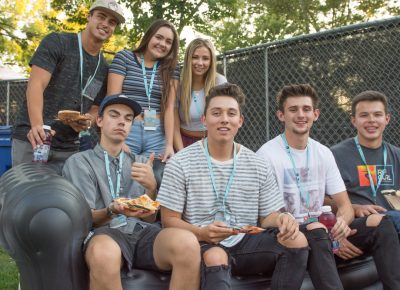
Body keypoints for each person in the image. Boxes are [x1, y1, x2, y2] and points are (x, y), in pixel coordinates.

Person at [157, 83, 309, 290]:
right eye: (216, 113)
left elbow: (267, 217)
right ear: (204, 120)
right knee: (217, 255)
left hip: (246, 241)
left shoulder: (258, 163)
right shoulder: (180, 162)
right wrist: (201, 233)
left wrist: (282, 217)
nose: (224, 119)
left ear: (240, 121)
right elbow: (169, 221)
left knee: (297, 240)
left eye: (231, 113)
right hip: (201, 242)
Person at [256, 84, 400, 290]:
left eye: (306, 109)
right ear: (281, 115)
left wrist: (341, 226)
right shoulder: (266, 155)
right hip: (292, 233)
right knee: (318, 233)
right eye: (293, 109)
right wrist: (329, 235)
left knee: (381, 223)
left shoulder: (323, 152)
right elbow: (264, 217)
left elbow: (345, 206)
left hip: (325, 230)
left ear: (316, 114)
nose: (300, 115)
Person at [62, 94, 200, 290]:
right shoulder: (80, 163)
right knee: (104, 253)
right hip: (105, 234)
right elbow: (85, 219)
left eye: (128, 119)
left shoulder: (142, 163)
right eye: (114, 115)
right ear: (99, 121)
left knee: (186, 243)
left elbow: (151, 219)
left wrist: (152, 188)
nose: (122, 122)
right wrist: (112, 210)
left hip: (141, 232)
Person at [12, 0, 125, 167]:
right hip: (33, 139)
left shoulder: (104, 67)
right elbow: (36, 84)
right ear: (89, 16)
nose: (105, 24)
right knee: (26, 192)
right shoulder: (58, 42)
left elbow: (95, 107)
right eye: (101, 17)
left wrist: (87, 121)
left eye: (112, 22)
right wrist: (37, 125)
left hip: (69, 148)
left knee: (65, 193)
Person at [107, 19, 179, 162]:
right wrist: (117, 139)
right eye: (158, 37)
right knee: (122, 174)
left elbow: (170, 108)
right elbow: (112, 100)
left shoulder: (171, 68)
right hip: (127, 128)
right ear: (149, 37)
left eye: (168, 42)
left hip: (157, 131)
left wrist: (169, 145)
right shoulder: (124, 58)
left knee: (152, 178)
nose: (162, 44)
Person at [331, 91, 400, 232]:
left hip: (394, 224)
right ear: (354, 120)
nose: (371, 120)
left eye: (377, 114)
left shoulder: (397, 155)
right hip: (357, 225)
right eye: (364, 115)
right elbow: (320, 200)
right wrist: (353, 208)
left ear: (387, 119)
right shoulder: (334, 155)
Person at [174, 38, 227, 150]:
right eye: (195, 57)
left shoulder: (220, 82)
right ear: (188, 59)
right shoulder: (178, 84)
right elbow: (174, 124)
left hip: (213, 142)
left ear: (211, 61)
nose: (200, 63)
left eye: (205, 58)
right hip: (183, 143)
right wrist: (180, 152)